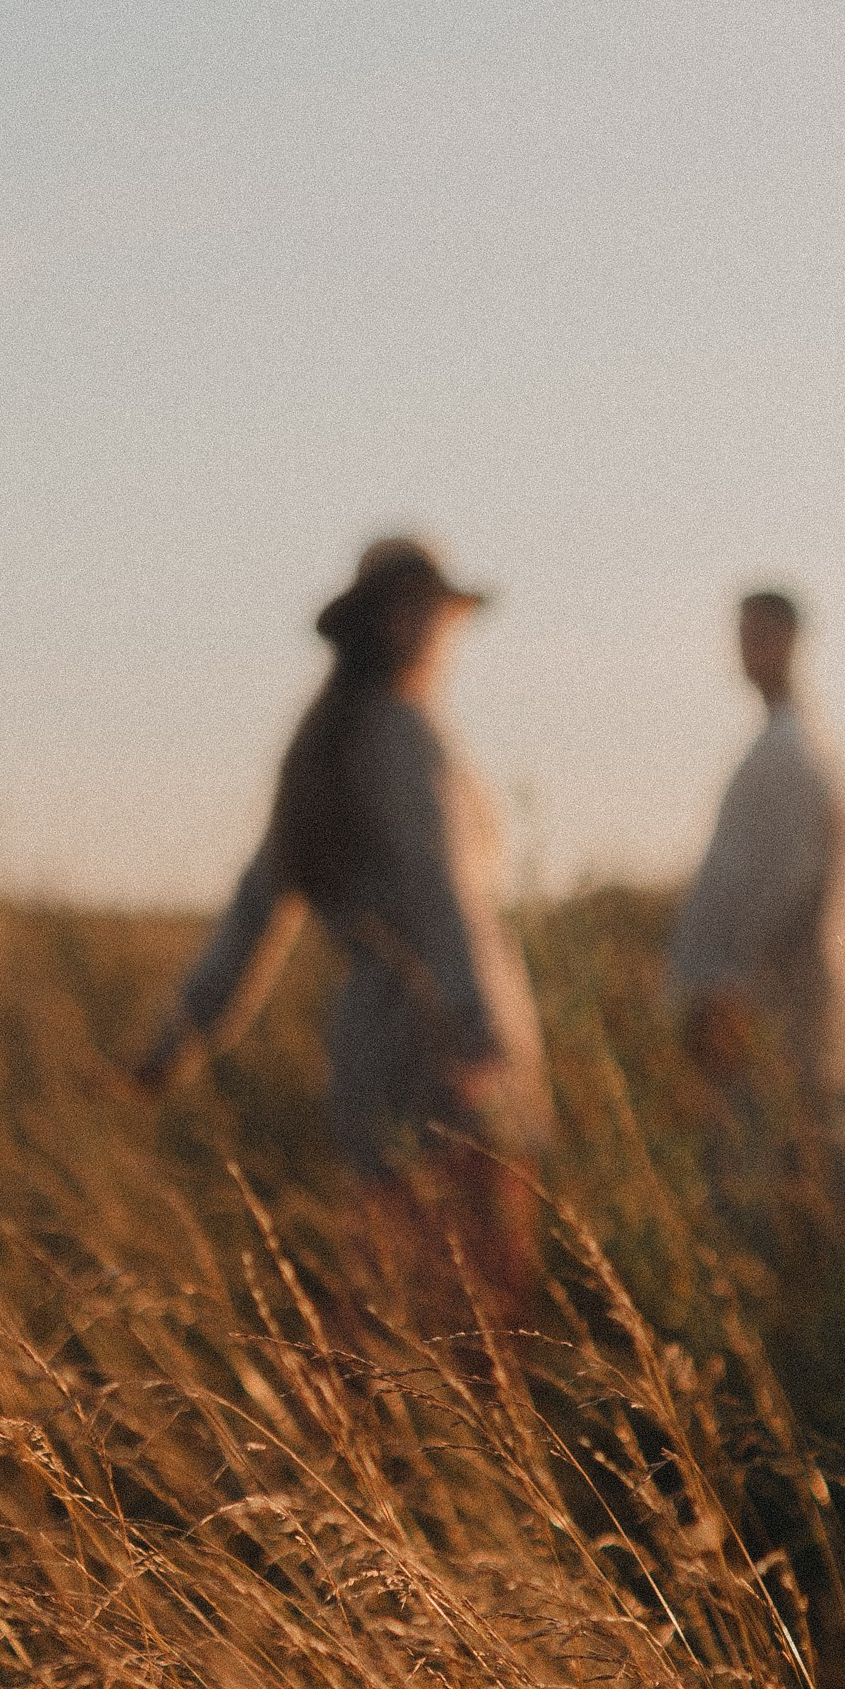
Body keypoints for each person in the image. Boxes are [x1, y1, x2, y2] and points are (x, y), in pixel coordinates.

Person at [132, 537, 551, 1300]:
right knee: (474, 1310)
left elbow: (251, 917)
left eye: (436, 613)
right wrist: (482, 1034)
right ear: (387, 625)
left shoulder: (323, 748)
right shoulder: (400, 734)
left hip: (370, 1054)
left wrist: (176, 1043)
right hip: (444, 1050)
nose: (433, 630)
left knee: (388, 1290)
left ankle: (356, 1418)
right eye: (418, 612)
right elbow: (442, 897)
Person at [667, 589, 845, 1170]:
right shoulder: (783, 745)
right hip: (772, 1013)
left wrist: (727, 987)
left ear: (789, 641)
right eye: (741, 635)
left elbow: (790, 891)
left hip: (775, 1016)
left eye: (758, 635)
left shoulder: (796, 753)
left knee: (781, 1177)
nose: (745, 650)